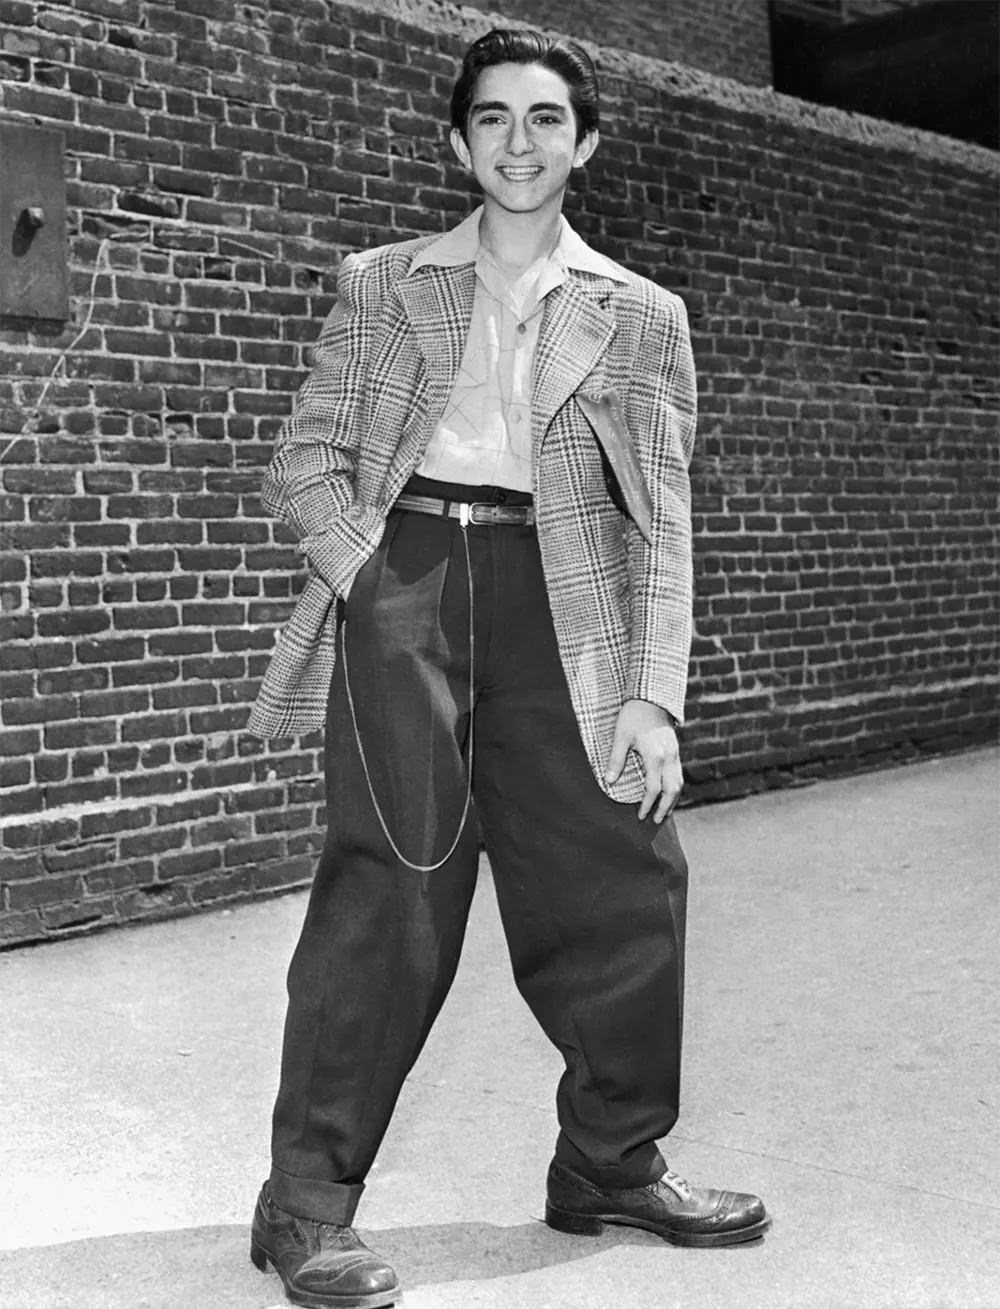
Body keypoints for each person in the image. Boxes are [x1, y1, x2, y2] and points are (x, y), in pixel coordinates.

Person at [245, 26, 769, 1309]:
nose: (518, 144)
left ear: (583, 144)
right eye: (492, 120)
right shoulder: (384, 284)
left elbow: (660, 521)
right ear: (459, 141)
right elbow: (301, 461)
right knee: (399, 888)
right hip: (410, 579)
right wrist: (372, 578)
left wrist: (653, 691)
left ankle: (609, 1157)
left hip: (567, 605)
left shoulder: (642, 316)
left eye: (545, 120)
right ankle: (305, 1206)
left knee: (623, 877)